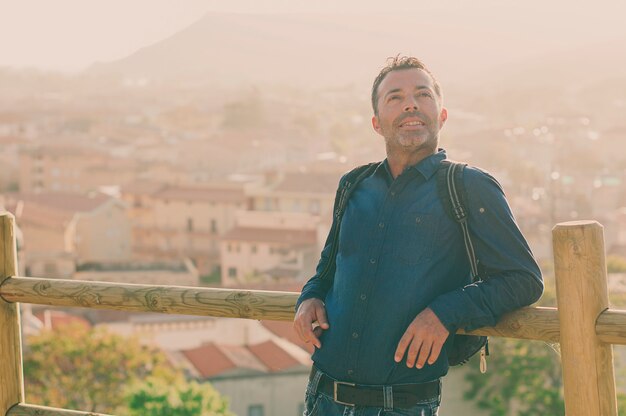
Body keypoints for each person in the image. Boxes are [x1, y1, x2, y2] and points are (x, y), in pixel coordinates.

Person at [293, 56, 544, 415]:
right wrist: (309, 296)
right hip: (322, 397)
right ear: (377, 123)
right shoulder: (353, 184)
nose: (411, 103)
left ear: (441, 115)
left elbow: (523, 280)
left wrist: (444, 312)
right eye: (395, 97)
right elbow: (327, 269)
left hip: (403, 406)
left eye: (423, 94)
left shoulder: (469, 187)